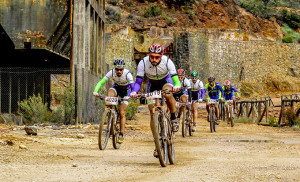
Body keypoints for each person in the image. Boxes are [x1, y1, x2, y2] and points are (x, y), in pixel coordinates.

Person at [130, 43, 181, 157]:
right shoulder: (143, 62)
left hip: (166, 81)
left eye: (157, 57)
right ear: (149, 55)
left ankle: (173, 117)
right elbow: (138, 82)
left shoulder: (167, 61)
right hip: (152, 85)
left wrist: (177, 86)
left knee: (168, 94)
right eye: (152, 56)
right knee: (152, 112)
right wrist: (134, 91)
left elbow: (176, 80)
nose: (154, 59)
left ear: (161, 56)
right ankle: (157, 142)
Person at [93, 59, 134, 144]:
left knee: (122, 112)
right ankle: (109, 113)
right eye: (117, 69)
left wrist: (133, 93)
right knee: (110, 94)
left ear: (124, 68)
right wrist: (95, 91)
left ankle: (121, 134)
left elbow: (132, 85)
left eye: (121, 69)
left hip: (126, 90)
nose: (119, 71)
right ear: (114, 68)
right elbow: (101, 82)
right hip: (117, 87)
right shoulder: (111, 72)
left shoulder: (127, 74)